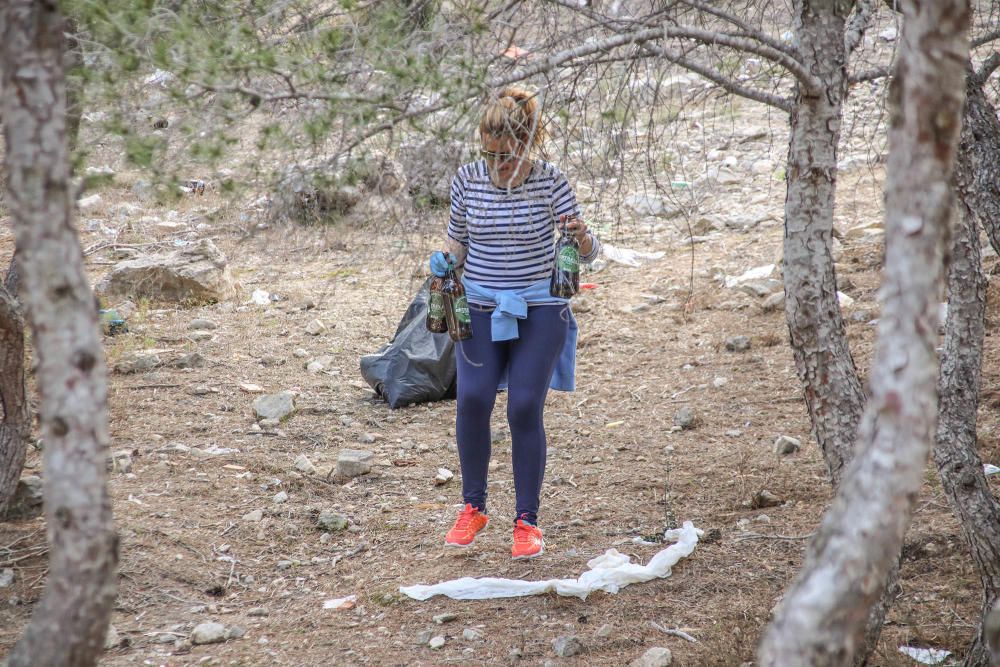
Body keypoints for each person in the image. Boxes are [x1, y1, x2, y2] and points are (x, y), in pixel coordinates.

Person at [429, 86, 600, 560]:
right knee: (473, 397)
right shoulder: (467, 179)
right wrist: (445, 259)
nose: (497, 164)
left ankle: (526, 521)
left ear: (526, 144)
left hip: (541, 305)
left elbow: (587, 252)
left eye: (506, 156)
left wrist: (583, 239)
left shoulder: (550, 182)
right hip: (479, 304)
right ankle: (473, 506)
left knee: (524, 406)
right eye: (489, 154)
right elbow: (458, 240)